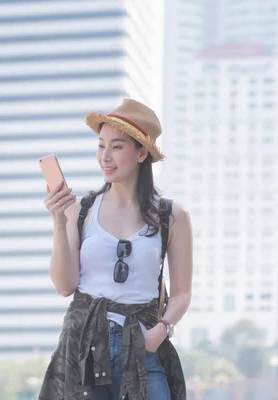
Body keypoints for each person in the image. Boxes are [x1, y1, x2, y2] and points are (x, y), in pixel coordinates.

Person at [38, 99, 193, 400]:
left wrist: (161, 330)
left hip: (143, 344)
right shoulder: (80, 211)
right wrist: (58, 222)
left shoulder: (172, 216)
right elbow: (64, 285)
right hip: (85, 349)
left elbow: (183, 293)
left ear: (141, 152)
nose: (105, 157)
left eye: (117, 147)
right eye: (101, 146)